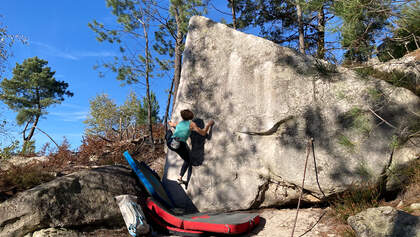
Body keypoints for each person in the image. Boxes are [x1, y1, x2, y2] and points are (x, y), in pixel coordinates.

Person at [166, 109, 214, 188]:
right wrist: (209, 125)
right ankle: (180, 177)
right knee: (187, 161)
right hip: (178, 145)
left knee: (169, 133)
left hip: (170, 143)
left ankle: (180, 178)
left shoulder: (180, 123)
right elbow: (203, 133)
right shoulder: (191, 124)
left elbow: (172, 125)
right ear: (191, 116)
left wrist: (170, 123)